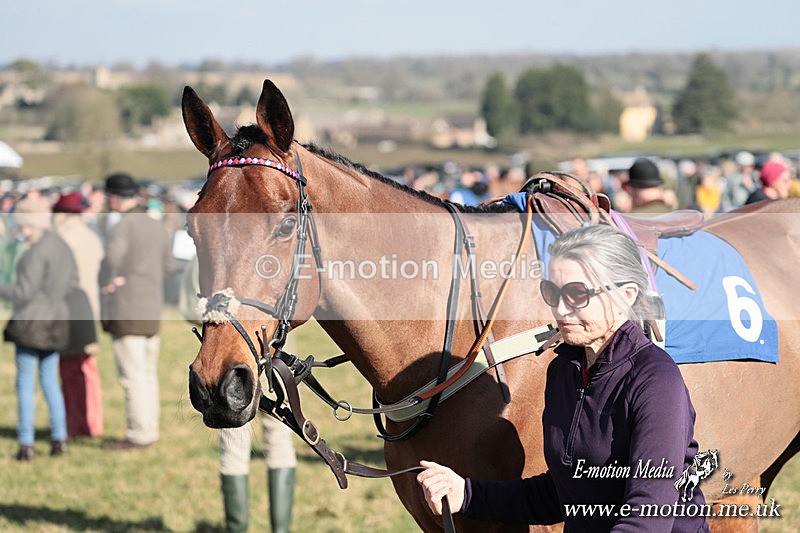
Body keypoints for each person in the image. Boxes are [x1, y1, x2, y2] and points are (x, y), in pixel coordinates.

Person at [417, 224, 709, 532]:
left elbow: (648, 519)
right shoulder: (564, 371)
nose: (559, 308)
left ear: (626, 295)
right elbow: (564, 494)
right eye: (552, 291)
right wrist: (468, 494)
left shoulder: (656, 380)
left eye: (576, 293)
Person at [179, 255, 297, 533]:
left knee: (233, 446)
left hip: (231, 359)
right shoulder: (269, 253)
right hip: (279, 354)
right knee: (280, 440)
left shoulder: (212, 255)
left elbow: (187, 306)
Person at [0, 196, 78, 461]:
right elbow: (72, 283)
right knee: (49, 383)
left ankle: (25, 445)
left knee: (24, 385)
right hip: (57, 321)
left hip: (32, 324)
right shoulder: (62, 246)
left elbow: (22, 292)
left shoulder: (35, 252)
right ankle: (60, 439)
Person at [100, 172, 173, 450]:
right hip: (151, 308)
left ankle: (139, 433)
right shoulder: (156, 225)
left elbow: (110, 261)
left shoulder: (122, 227)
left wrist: (115, 279)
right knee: (148, 373)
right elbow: (167, 265)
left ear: (115, 199)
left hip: (127, 308)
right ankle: (149, 428)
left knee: (132, 377)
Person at [52, 191, 105, 438]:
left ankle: (75, 425)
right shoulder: (91, 236)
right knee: (87, 370)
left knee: (70, 372)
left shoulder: (61, 238)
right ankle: (93, 422)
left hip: (68, 311)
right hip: (89, 310)